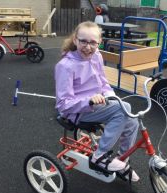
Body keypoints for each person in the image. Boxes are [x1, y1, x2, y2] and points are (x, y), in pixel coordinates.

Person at [54, 21, 139, 182]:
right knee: (123, 110)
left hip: (98, 105)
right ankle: (99, 156)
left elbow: (103, 82)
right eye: (83, 41)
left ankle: (122, 160)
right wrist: (89, 101)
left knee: (131, 117)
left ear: (99, 42)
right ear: (75, 40)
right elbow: (63, 104)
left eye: (93, 42)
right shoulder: (65, 66)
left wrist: (111, 96)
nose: (88, 47)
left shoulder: (97, 56)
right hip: (78, 111)